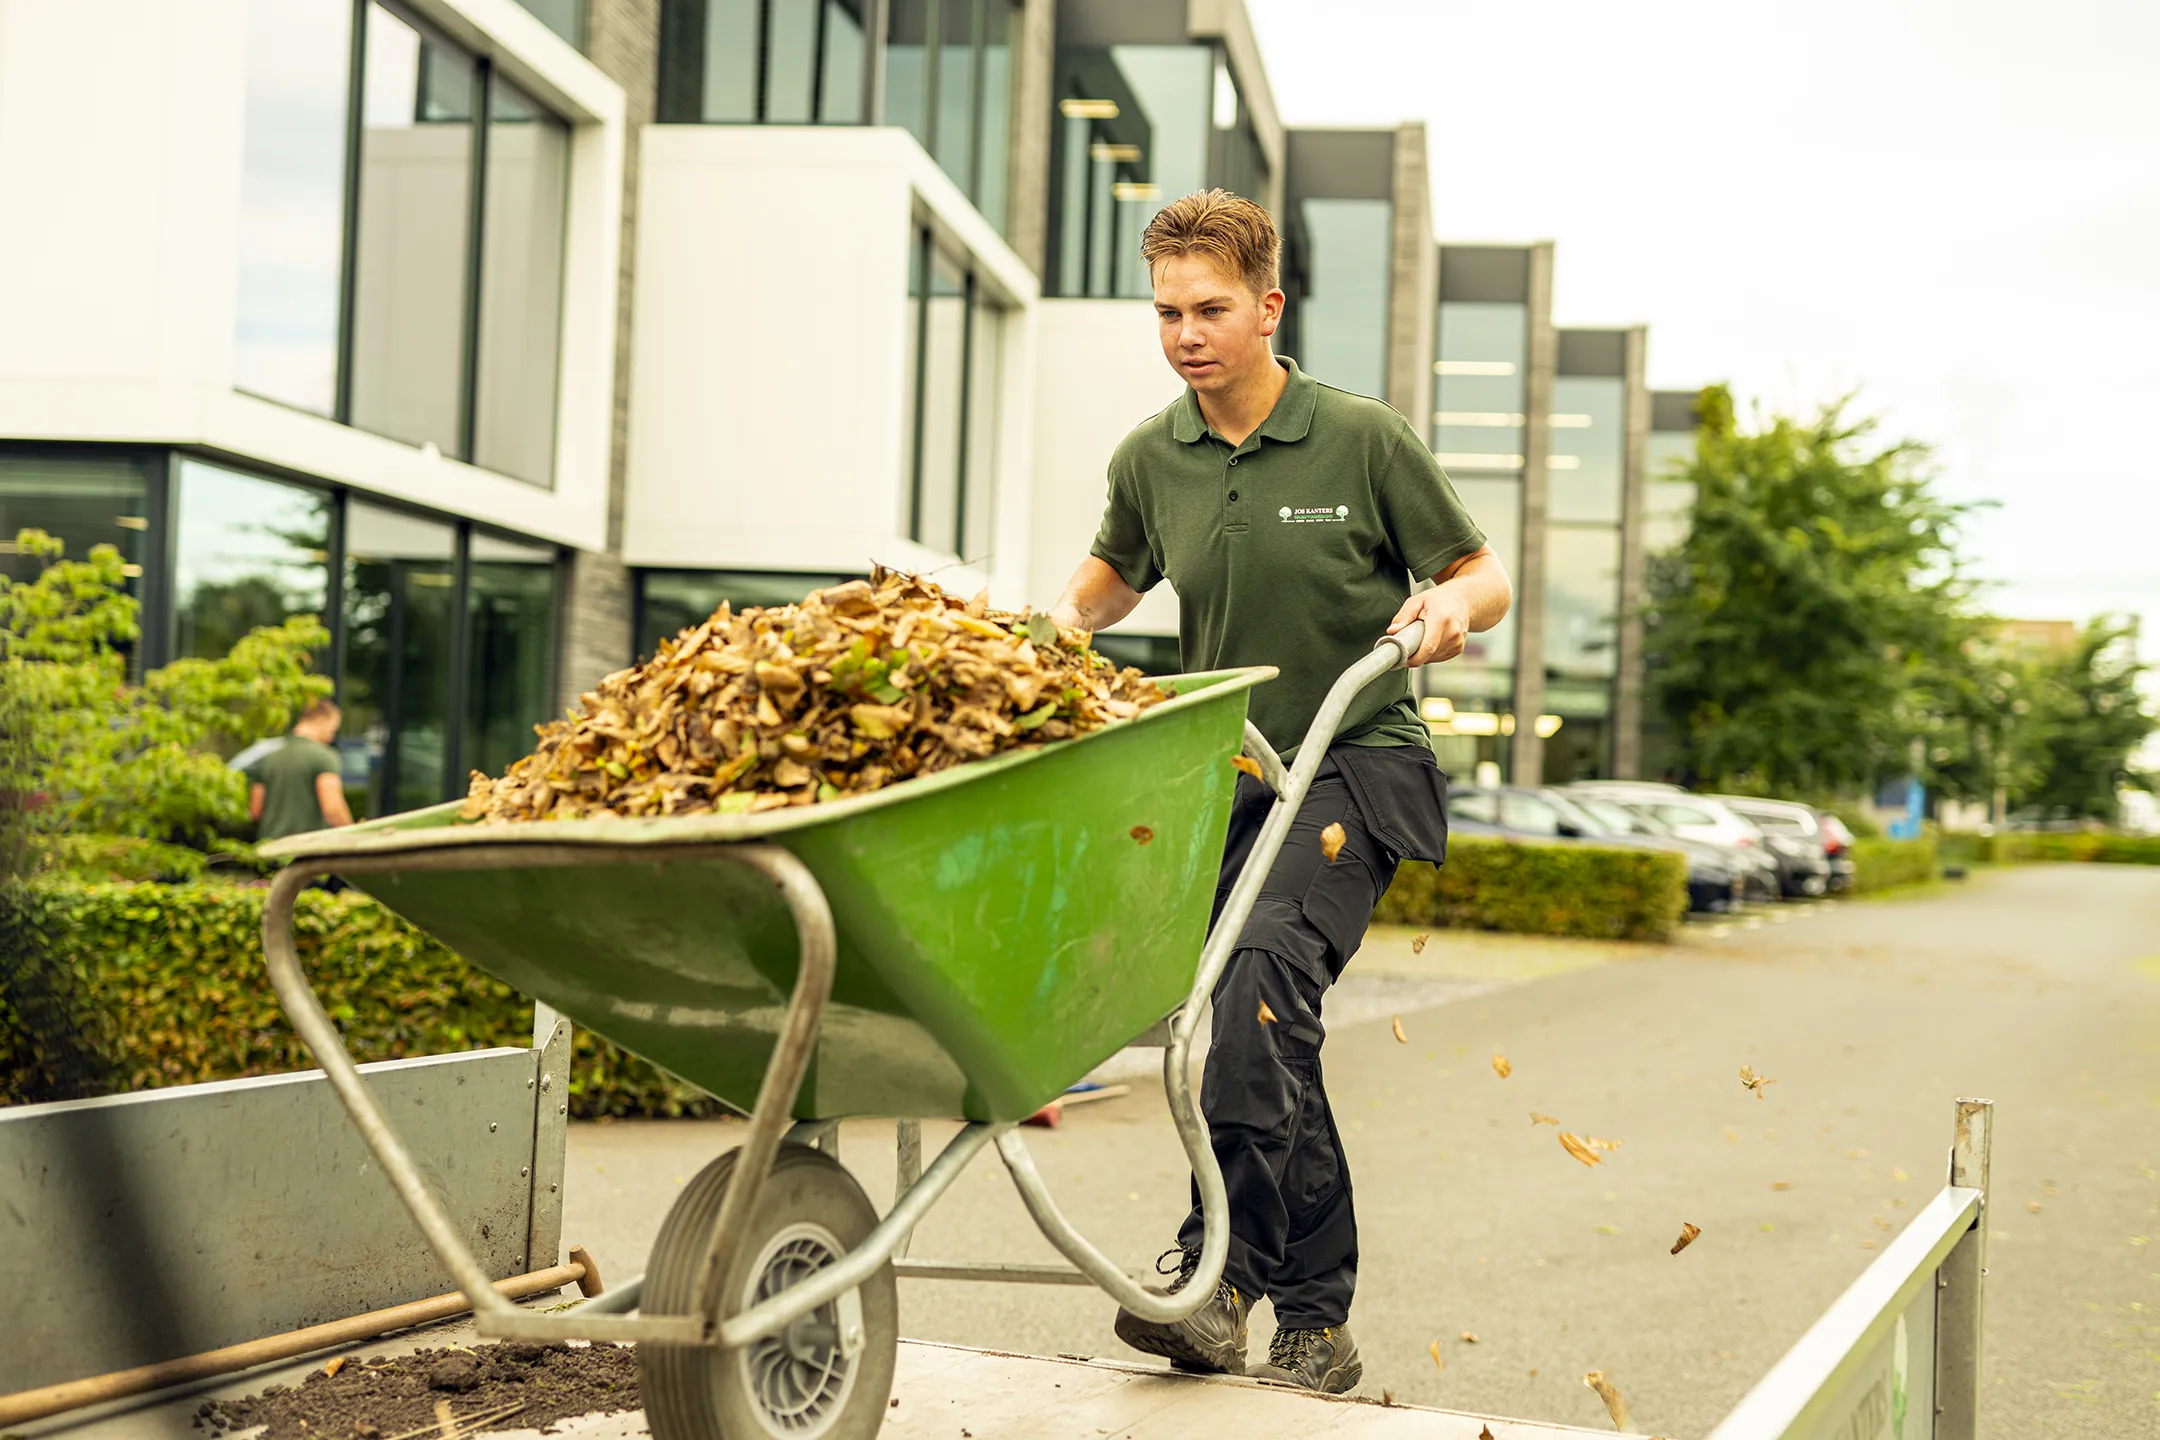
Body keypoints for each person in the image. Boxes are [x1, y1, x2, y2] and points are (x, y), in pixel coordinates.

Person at [1048, 189, 1512, 1394]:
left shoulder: (1359, 438)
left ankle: (1234, 1286)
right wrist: (1045, 637)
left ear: (1267, 307)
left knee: (1255, 994)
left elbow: (1479, 570)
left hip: (1359, 760)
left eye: (1209, 310)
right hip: (1238, 776)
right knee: (1255, 1034)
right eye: (1166, 313)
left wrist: (1449, 609)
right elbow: (1102, 588)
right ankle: (1294, 1315)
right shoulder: (1154, 456)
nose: (1186, 334)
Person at [245, 698, 355, 843]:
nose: (331, 736)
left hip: (269, 847)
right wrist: (354, 836)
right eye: (332, 729)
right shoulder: (324, 756)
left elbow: (255, 811)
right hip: (306, 849)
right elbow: (332, 809)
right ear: (322, 720)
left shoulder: (269, 757)